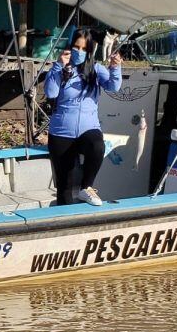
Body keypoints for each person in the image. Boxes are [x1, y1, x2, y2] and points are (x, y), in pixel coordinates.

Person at [44, 29, 123, 206]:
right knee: (64, 186)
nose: (79, 52)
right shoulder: (59, 68)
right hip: (61, 132)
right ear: (70, 47)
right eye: (76, 47)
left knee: (97, 145)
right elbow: (51, 92)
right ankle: (64, 226)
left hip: (88, 128)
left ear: (89, 51)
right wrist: (58, 66)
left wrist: (116, 67)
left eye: (84, 49)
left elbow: (113, 86)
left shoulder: (95, 69)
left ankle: (86, 187)